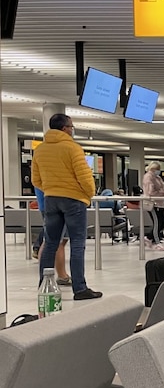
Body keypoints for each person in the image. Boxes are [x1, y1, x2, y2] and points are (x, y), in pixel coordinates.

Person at [31, 113, 101, 300]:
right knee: (77, 244)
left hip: (51, 199)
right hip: (73, 200)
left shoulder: (40, 150)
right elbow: (85, 176)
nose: (72, 129)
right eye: (71, 126)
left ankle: (44, 285)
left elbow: (36, 179)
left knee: (51, 243)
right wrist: (89, 193)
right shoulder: (73, 148)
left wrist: (51, 188)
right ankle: (79, 288)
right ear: (64, 128)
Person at [34, 186, 72, 286]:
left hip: (50, 201)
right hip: (53, 201)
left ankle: (61, 275)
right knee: (51, 241)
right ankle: (46, 278)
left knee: (60, 241)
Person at [143, 161, 164, 245]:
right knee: (158, 222)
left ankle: (150, 238)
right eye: (157, 169)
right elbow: (150, 192)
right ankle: (153, 239)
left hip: (160, 203)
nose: (158, 171)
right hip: (153, 203)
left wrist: (162, 191)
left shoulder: (158, 178)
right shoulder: (148, 177)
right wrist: (162, 192)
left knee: (163, 222)